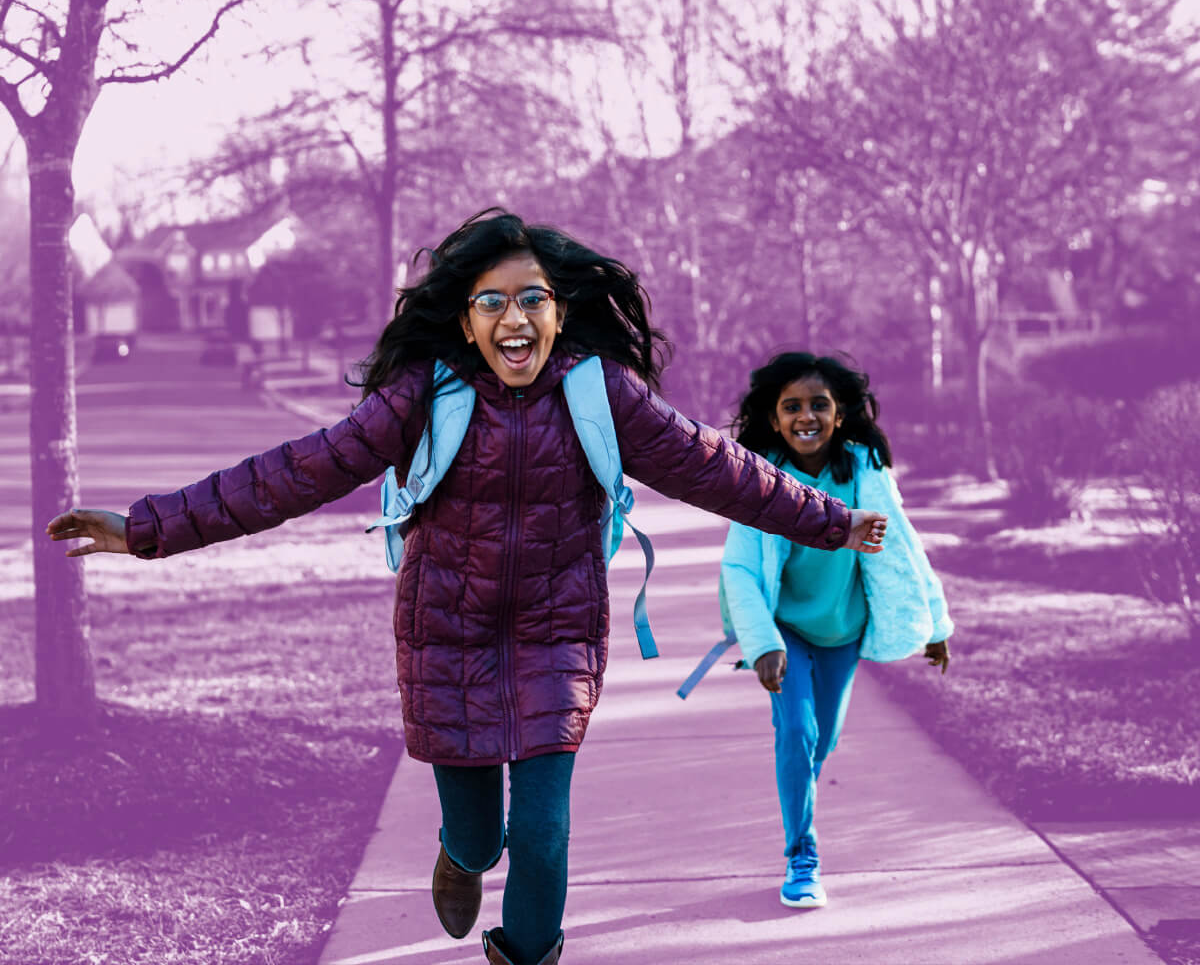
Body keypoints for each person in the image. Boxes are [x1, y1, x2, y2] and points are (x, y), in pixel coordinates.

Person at [45, 211, 888, 965]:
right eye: (492, 301)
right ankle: (460, 851)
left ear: (559, 313)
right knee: (484, 835)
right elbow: (297, 472)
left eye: (532, 299)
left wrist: (831, 520)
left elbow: (717, 467)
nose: (514, 317)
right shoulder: (426, 394)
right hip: (447, 635)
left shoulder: (603, 392)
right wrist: (146, 528)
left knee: (546, 834)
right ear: (465, 318)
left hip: (558, 634)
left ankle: (523, 953)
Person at [718, 351, 951, 911]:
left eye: (818, 405)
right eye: (791, 406)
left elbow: (902, 549)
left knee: (823, 740)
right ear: (773, 419)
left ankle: (800, 797)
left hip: (843, 628)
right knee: (796, 730)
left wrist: (935, 622)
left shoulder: (864, 472)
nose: (806, 416)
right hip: (786, 630)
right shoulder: (761, 479)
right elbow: (739, 569)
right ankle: (803, 857)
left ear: (840, 413)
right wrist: (763, 644)